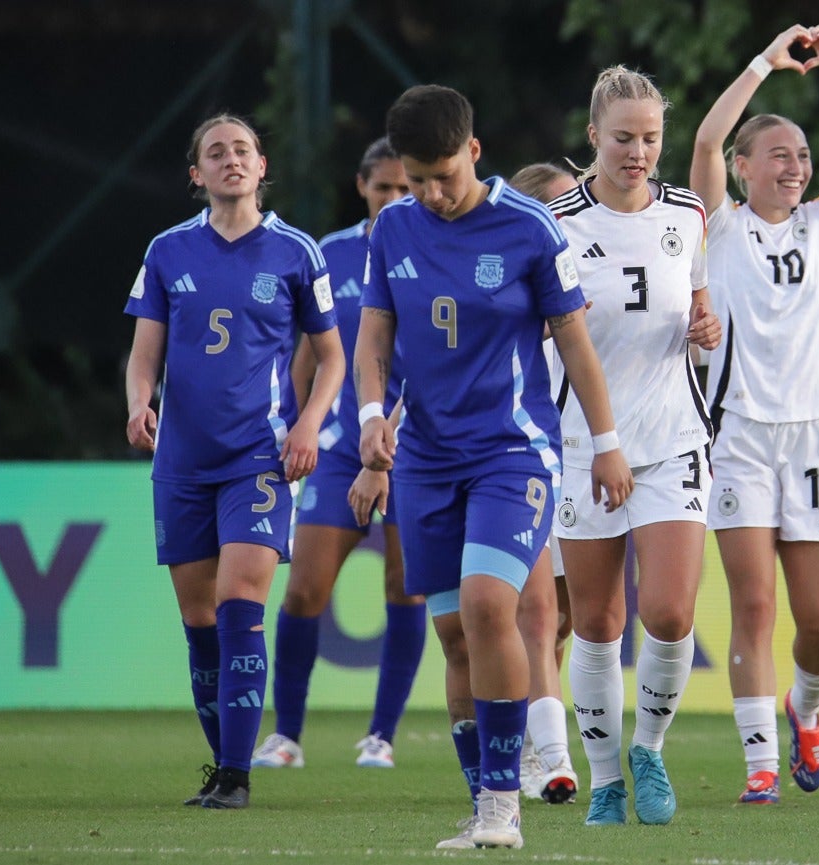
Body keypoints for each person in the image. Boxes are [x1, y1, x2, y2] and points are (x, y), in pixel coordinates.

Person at [353, 85, 633, 850]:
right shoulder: (393, 231)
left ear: (473, 151)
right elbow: (374, 338)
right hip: (426, 460)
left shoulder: (528, 226)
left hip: (513, 452)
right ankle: (483, 800)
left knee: (487, 604)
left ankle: (506, 807)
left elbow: (574, 341)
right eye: (417, 180)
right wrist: (372, 421)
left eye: (444, 174)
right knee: (453, 636)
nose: (433, 194)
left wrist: (604, 441)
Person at [689, 24, 819, 804]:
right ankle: (760, 766)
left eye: (803, 156)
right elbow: (708, 140)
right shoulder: (715, 225)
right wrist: (760, 66)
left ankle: (804, 712)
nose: (795, 166)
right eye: (778, 154)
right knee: (752, 604)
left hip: (815, 435)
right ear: (745, 169)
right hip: (738, 434)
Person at [124, 113, 345, 809]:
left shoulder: (296, 251)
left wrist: (309, 422)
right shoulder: (166, 252)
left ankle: (238, 777)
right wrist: (137, 404)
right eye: (215, 153)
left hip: (259, 457)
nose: (230, 160)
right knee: (199, 621)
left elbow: (334, 355)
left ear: (260, 164)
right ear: (197, 173)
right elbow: (144, 353)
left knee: (237, 603)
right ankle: (222, 764)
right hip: (182, 460)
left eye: (241, 150)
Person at [547, 66, 722, 827]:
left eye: (651, 138)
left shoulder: (687, 212)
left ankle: (647, 749)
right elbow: (541, 331)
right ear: (593, 136)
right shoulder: (556, 223)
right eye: (623, 138)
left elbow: (701, 302)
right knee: (596, 622)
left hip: (674, 435)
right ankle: (605, 777)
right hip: (585, 443)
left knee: (672, 611)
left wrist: (706, 327)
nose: (639, 152)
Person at [250, 138, 427, 772]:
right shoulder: (331, 254)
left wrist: (385, 453)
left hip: (416, 446)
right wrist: (300, 429)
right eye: (384, 188)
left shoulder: (436, 247)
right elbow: (309, 356)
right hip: (335, 448)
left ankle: (381, 735)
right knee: (302, 591)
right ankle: (287, 735)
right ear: (362, 187)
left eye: (406, 189)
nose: (395, 199)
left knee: (405, 593)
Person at [508, 162, 582, 800]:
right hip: (525, 458)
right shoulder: (512, 279)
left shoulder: (592, 270)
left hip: (587, 461)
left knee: (567, 617)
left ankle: (536, 738)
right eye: (562, 206)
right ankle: (540, 755)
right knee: (535, 614)